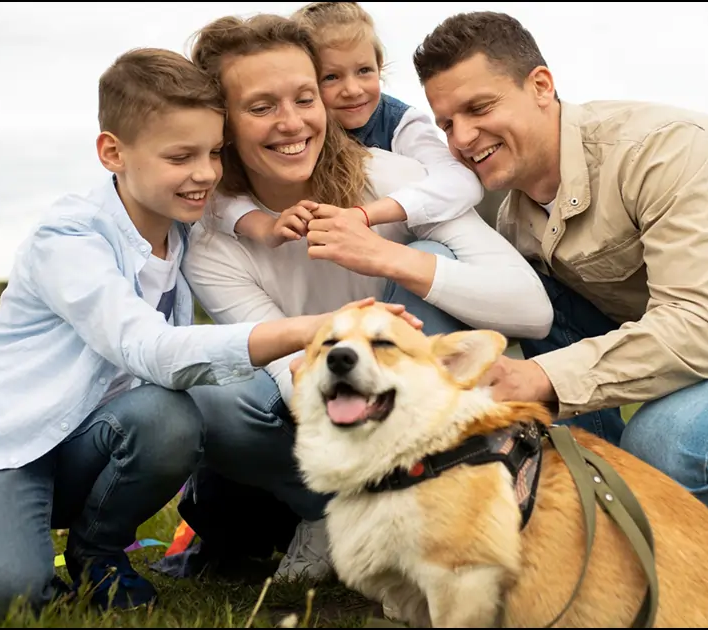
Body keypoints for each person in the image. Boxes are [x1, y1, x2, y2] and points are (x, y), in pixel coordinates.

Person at [0, 46, 422, 623]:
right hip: (5, 447)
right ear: (113, 152)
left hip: (99, 441)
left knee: (171, 416)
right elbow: (150, 350)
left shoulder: (183, 225)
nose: (204, 172)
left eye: (213, 152)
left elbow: (228, 204)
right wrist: (312, 330)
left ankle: (98, 552)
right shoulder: (69, 240)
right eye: (181, 156)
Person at [411, 11, 708, 598]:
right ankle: (613, 515)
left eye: (479, 109)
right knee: (534, 304)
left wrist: (537, 376)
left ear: (541, 86)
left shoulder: (664, 151)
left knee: (667, 446)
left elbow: (693, 329)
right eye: (446, 123)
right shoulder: (515, 217)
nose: (461, 139)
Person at [176, 13, 559, 585]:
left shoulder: (397, 180)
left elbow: (533, 311)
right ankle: (331, 510)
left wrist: (385, 257)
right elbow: (288, 371)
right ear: (222, 125)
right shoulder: (212, 241)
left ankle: (460, 496)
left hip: (433, 409)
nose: (291, 124)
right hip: (327, 412)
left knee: (436, 255)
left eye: (305, 98)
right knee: (215, 403)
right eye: (261, 108)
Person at [229, 1, 484, 250]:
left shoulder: (400, 123)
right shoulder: (297, 137)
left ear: (380, 66)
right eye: (331, 77)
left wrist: (366, 214)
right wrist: (264, 226)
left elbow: (461, 181)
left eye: (364, 70)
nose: (352, 90)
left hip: (412, 249)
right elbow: (223, 193)